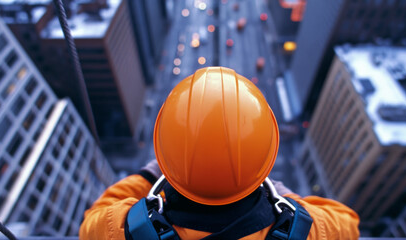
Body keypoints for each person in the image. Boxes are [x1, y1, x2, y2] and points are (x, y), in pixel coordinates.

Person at [79, 67, 360, 240]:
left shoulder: (127, 228)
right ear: (265, 158)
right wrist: (287, 197)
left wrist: (147, 176)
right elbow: (348, 224)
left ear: (166, 155)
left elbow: (92, 222)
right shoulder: (303, 230)